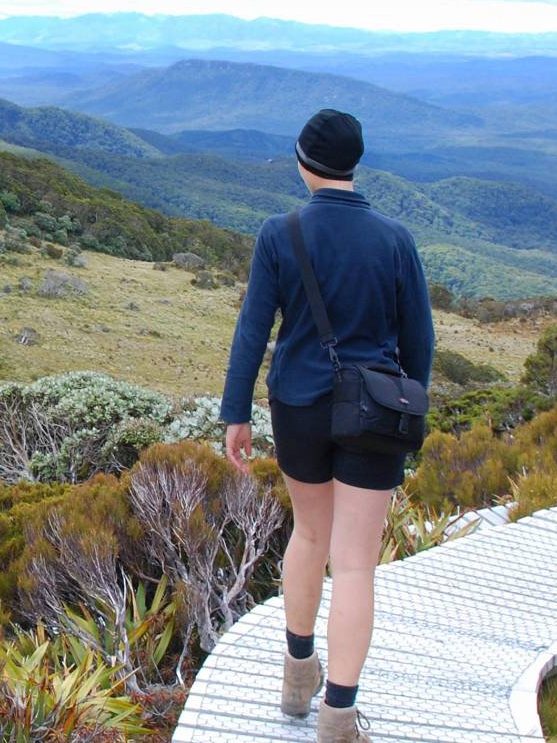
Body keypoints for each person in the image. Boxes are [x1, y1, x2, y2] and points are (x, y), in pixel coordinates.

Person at [220, 109, 434, 742]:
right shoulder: (395, 240)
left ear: (301, 162)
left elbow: (253, 328)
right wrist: (407, 411)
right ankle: (338, 716)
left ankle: (296, 677)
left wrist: (236, 412)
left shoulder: (279, 233)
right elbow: (419, 342)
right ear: (354, 165)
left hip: (300, 407)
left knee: (309, 537)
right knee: (358, 564)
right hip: (375, 412)